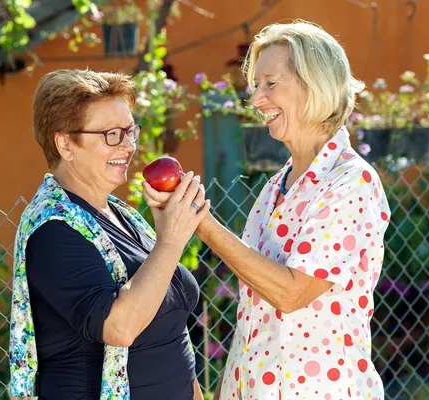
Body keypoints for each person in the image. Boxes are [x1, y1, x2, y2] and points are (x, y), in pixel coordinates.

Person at [143, 21, 391, 400]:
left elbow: (292, 294)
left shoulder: (351, 182)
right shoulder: (277, 187)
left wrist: (202, 224)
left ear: (315, 84)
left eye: (270, 84)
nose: (256, 100)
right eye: (255, 86)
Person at [8, 69, 210, 400]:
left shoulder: (124, 216)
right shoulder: (53, 230)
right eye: (111, 134)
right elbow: (120, 328)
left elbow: (173, 340)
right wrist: (171, 241)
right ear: (66, 143)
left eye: (130, 131)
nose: (128, 146)